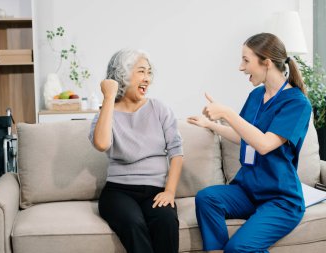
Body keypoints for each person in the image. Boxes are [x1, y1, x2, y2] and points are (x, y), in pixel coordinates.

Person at [187, 33, 312, 253]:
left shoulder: (297, 103)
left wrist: (226, 112)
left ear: (266, 62)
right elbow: (245, 137)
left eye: (246, 60)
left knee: (239, 247)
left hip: (280, 199)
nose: (241, 67)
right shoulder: (256, 96)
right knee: (207, 198)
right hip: (248, 190)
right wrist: (211, 125)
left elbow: (264, 144)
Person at [89, 49, 183, 253]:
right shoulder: (107, 113)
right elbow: (102, 144)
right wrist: (109, 97)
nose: (147, 79)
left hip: (156, 190)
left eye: (149, 73)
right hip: (118, 192)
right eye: (141, 72)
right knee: (133, 223)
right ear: (123, 75)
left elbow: (176, 152)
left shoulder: (159, 109)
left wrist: (169, 191)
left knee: (166, 220)